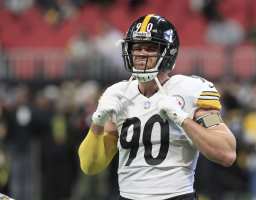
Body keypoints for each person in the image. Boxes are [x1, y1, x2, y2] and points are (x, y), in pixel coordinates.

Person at [78, 14, 236, 200]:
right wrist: (98, 121)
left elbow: (226, 153)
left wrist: (182, 118)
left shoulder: (190, 90)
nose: (141, 54)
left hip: (176, 196)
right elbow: (90, 165)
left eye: (151, 48)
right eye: (137, 47)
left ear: (168, 52)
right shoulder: (119, 93)